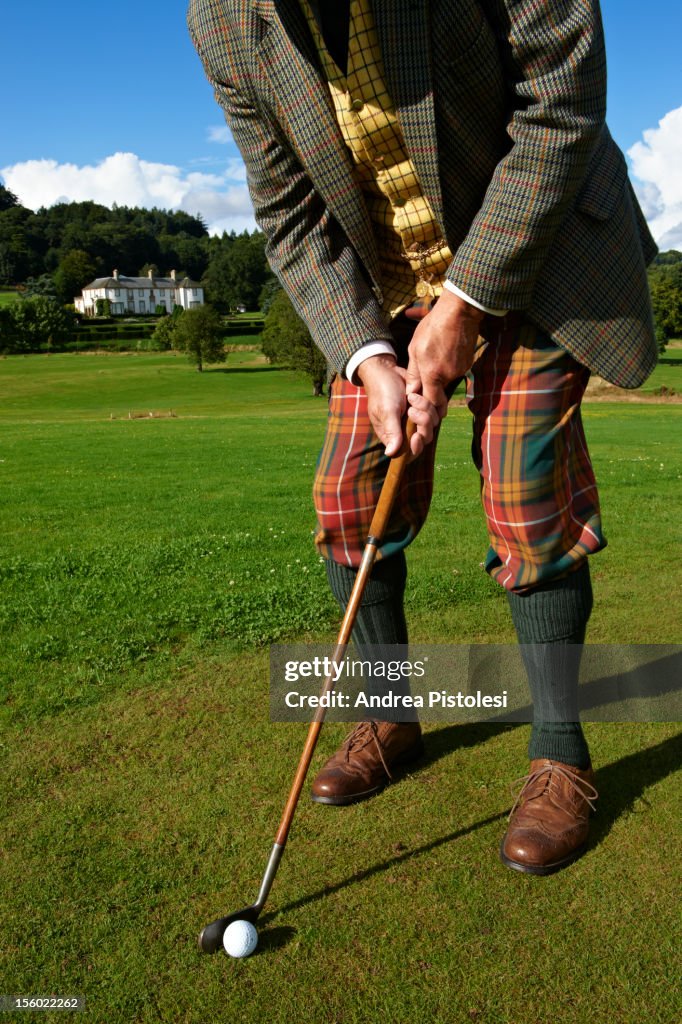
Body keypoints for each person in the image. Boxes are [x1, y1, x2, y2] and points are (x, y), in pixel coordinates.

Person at [187, 0, 657, 875]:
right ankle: (390, 714)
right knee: (346, 495)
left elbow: (560, 103)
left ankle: (561, 756)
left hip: (545, 250)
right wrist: (369, 359)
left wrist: (464, 307)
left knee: (525, 494)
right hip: (384, 285)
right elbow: (291, 213)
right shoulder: (220, 21)